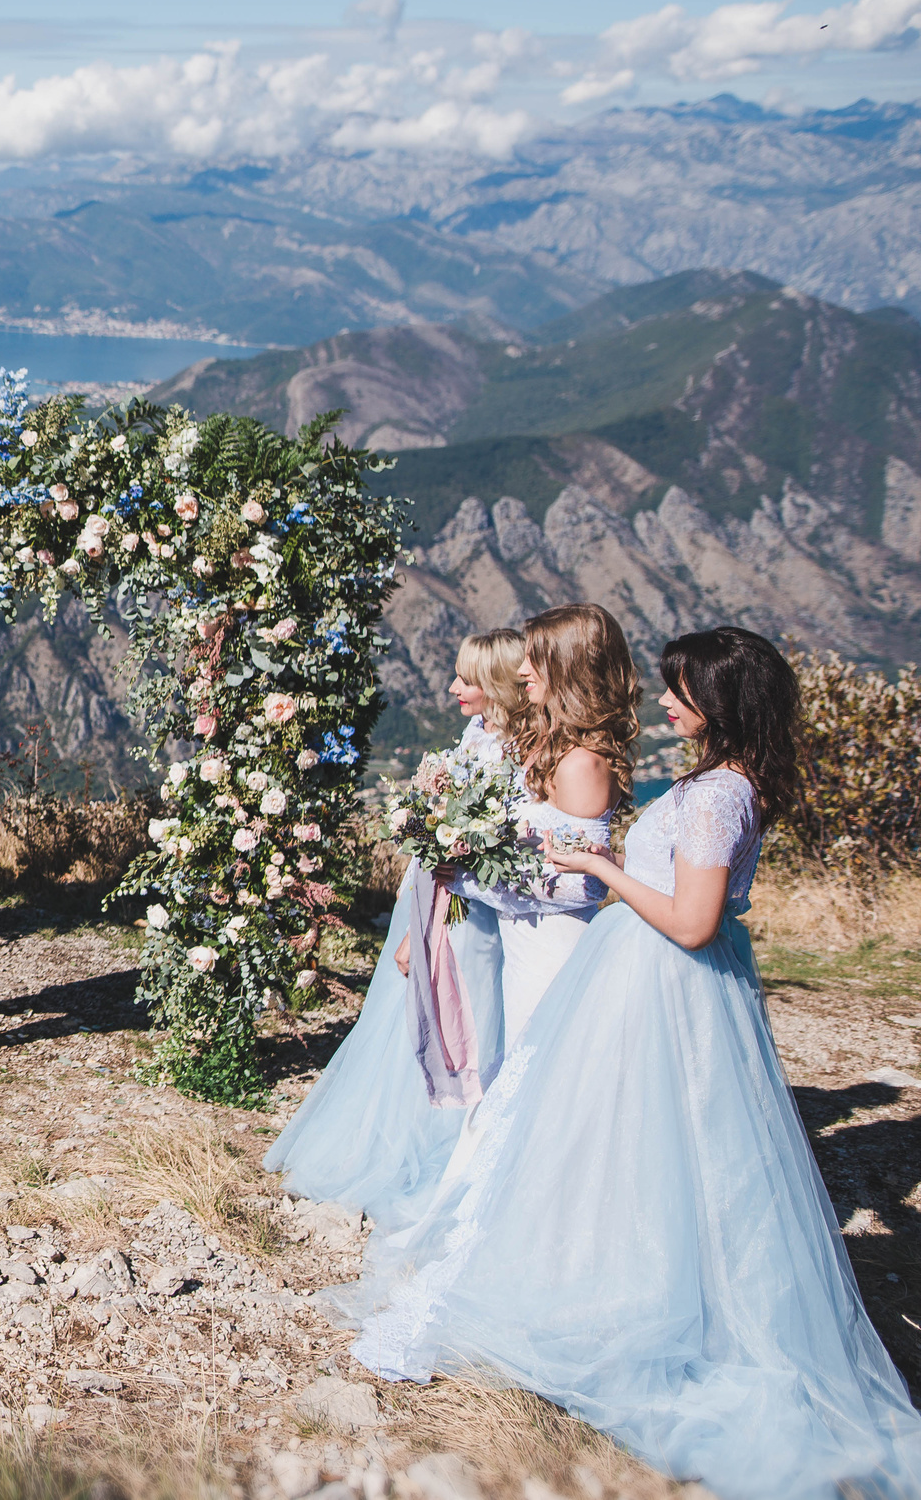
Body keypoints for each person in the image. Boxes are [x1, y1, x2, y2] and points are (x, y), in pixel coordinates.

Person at [347, 628, 921, 1500]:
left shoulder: (718, 795)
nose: (665, 702)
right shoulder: (715, 785)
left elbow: (692, 920)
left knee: (643, 1139)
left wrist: (600, 868)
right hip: (657, 980)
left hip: (665, 983)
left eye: (681, 690)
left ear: (719, 704)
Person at [265, 630, 524, 1225]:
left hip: (465, 909)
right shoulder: (478, 736)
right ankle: (404, 1133)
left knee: (466, 1013)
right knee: (417, 1016)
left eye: (468, 679)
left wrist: (425, 921)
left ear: (499, 684)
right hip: (433, 894)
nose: (454, 687)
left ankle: (456, 1140)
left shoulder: (510, 752)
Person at [486, 603, 636, 1031]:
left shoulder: (581, 764)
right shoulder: (549, 745)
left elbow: (579, 884)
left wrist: (471, 878)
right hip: (522, 941)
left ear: (567, 667)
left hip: (554, 948)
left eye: (535, 659)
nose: (522, 671)